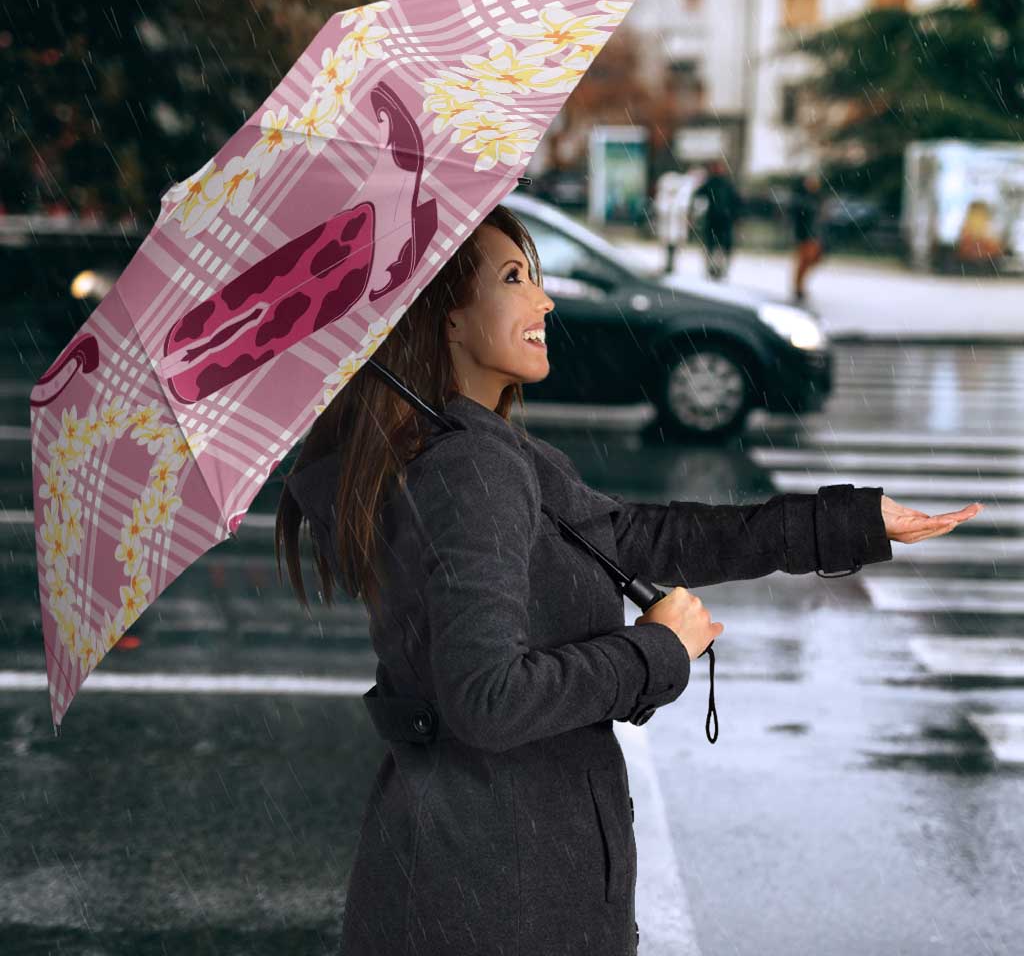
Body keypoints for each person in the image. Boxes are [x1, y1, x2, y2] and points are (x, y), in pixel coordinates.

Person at [276, 203, 973, 956]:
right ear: (445, 318)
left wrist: (850, 523)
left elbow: (640, 537)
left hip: (476, 875)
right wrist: (656, 651)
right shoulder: (469, 469)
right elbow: (487, 700)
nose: (544, 300)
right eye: (514, 278)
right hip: (498, 895)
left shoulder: (475, 450)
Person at [692, 158, 742, 281]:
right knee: (713, 246)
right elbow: (698, 196)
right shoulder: (712, 183)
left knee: (720, 247)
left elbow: (736, 202)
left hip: (723, 220)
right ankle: (713, 269)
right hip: (715, 220)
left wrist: (735, 216)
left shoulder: (725, 184)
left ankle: (719, 269)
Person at [790, 171, 826, 302]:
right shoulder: (802, 199)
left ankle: (799, 286)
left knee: (812, 260)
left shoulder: (817, 198)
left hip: (814, 235)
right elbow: (799, 218)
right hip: (805, 235)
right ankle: (798, 287)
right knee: (804, 261)